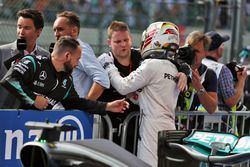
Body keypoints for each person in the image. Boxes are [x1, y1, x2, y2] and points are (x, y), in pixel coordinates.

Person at [99, 21, 192, 167]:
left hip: (152, 130)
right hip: (168, 126)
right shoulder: (174, 68)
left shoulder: (152, 64)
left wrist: (109, 66)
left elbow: (123, 86)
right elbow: (148, 97)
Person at [0, 36, 129, 114]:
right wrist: (33, 99)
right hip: (10, 126)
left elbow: (76, 103)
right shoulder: (33, 62)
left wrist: (107, 106)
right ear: (67, 56)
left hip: (34, 131)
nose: (77, 64)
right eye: (77, 59)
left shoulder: (66, 80)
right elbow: (9, 80)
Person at [97, 21, 141, 153]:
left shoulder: (141, 58)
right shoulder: (103, 62)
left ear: (131, 39)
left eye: (126, 40)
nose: (123, 44)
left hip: (137, 127)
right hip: (109, 126)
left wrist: (184, 73)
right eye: (117, 41)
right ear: (109, 42)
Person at [0, 8, 50, 109]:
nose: (21, 32)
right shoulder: (2, 52)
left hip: (31, 116)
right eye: (19, 27)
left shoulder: (46, 57)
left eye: (27, 28)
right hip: (5, 114)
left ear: (39, 31)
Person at [203, 31, 247, 134]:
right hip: (219, 127)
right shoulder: (221, 69)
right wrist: (241, 80)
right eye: (222, 45)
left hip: (196, 124)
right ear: (219, 49)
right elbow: (231, 101)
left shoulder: (198, 64)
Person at [178, 31, 218, 114]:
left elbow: (211, 109)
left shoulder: (208, 74)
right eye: (189, 49)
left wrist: (199, 87)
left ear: (205, 53)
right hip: (168, 123)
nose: (192, 53)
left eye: (196, 51)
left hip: (190, 125)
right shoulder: (174, 67)